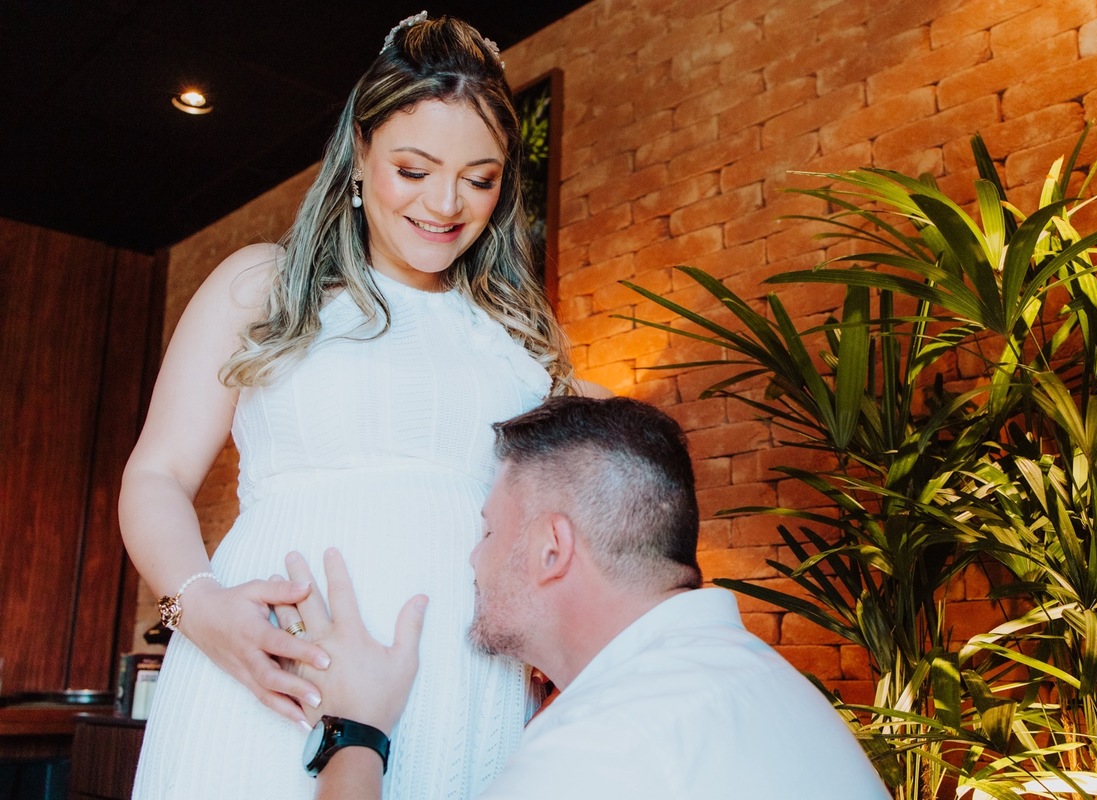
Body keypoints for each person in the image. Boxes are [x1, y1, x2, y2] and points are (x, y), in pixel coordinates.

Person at [118, 12, 595, 799]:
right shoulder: (259, 284)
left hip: (463, 688)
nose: (446, 204)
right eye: (414, 169)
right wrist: (200, 609)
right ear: (359, 154)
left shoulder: (519, 345)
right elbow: (156, 474)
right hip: (267, 669)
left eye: (480, 179)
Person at [279, 397, 892, 799]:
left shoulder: (604, 742)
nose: (471, 558)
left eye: (489, 530)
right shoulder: (766, 682)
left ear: (552, 548)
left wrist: (356, 731)